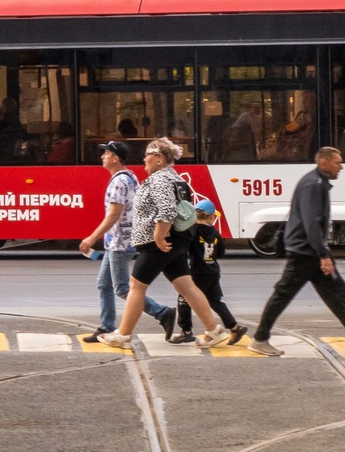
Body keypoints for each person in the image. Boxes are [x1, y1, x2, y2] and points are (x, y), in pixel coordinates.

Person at [96, 139, 243, 349]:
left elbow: (166, 210)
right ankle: (215, 330)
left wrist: (158, 237)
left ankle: (123, 335)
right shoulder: (174, 178)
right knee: (186, 286)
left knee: (136, 286)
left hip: (160, 243)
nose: (144, 159)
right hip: (176, 240)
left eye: (148, 155)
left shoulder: (159, 180)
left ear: (158, 159)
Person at [242, 147, 345, 356]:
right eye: (337, 162)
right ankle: (260, 339)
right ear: (324, 163)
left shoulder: (317, 182)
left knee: (336, 290)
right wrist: (323, 255)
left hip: (308, 250)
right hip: (304, 252)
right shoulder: (313, 185)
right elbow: (312, 223)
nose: (341, 167)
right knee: (283, 294)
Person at [78, 144, 175, 343]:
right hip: (118, 240)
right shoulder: (128, 177)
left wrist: (92, 237)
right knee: (104, 284)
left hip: (121, 241)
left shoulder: (120, 181)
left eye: (106, 153)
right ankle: (106, 326)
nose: (102, 156)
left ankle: (162, 312)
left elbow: (114, 214)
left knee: (122, 287)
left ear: (116, 158)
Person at [170, 196, 241, 345]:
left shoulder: (193, 231)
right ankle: (234, 327)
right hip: (213, 271)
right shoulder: (216, 233)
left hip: (197, 271)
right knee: (215, 301)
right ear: (211, 217)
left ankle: (186, 331)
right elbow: (221, 252)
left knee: (184, 297)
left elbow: (185, 248)